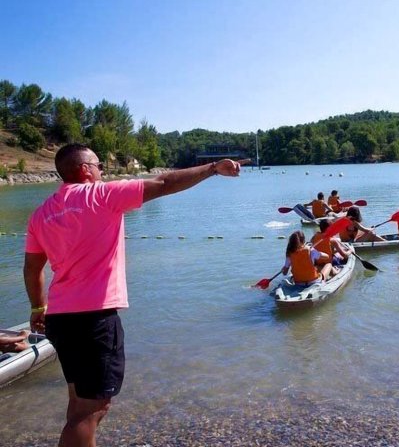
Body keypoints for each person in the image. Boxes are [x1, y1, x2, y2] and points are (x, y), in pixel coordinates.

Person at [23, 143, 242, 447]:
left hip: (60, 318)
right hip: (94, 318)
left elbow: (32, 269)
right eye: (99, 165)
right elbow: (164, 183)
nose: (102, 171)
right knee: (93, 410)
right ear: (85, 170)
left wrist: (37, 308)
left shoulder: (41, 214)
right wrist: (212, 168)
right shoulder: (102, 194)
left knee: (78, 404)